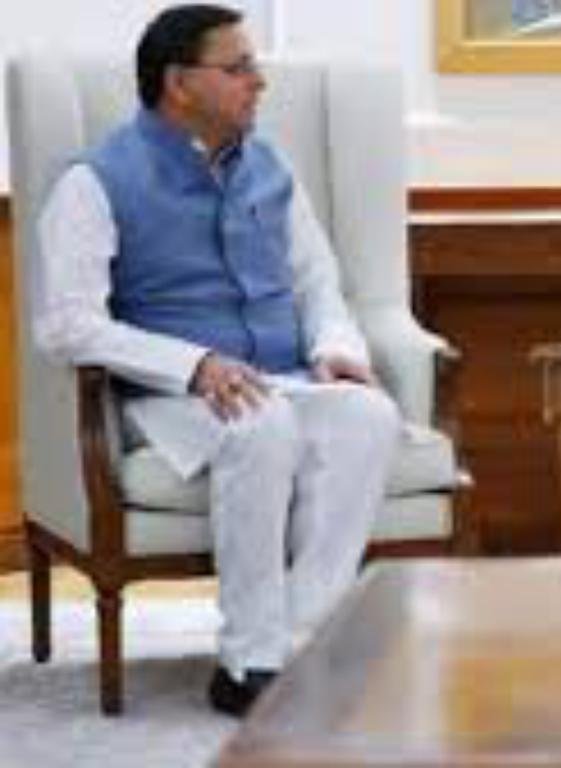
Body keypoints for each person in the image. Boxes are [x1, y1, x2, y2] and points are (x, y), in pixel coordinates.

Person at [34, 4, 401, 717]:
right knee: (260, 424)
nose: (258, 81)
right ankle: (246, 661)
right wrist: (195, 363)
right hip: (169, 396)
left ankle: (300, 643)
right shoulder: (94, 181)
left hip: (284, 376)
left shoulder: (271, 167)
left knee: (369, 416)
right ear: (179, 83)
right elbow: (66, 325)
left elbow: (317, 281)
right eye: (238, 69)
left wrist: (335, 349)